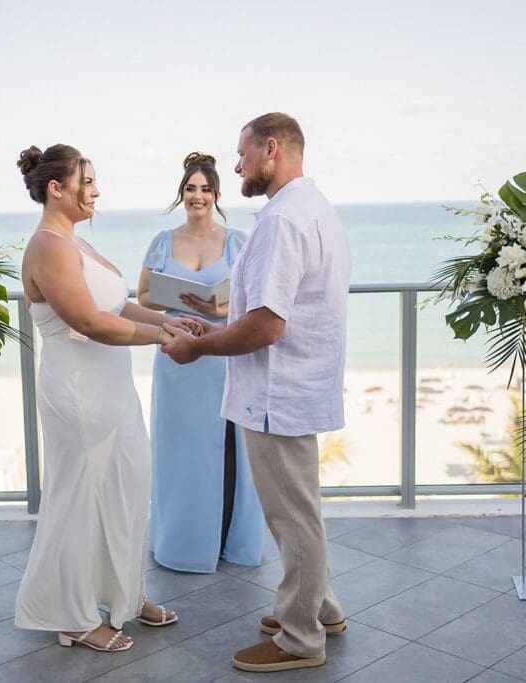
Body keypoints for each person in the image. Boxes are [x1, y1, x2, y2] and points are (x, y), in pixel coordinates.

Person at [161, 113, 351, 673]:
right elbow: (269, 309)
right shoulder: (314, 207)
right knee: (302, 512)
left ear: (272, 149)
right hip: (298, 386)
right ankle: (321, 609)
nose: (238, 165)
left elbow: (268, 324)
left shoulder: (282, 220)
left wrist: (200, 347)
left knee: (293, 519)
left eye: (242, 154)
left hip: (277, 394)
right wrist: (217, 324)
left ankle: (300, 638)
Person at [12, 143, 178, 653]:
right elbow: (88, 322)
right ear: (56, 188)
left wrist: (170, 322)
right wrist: (162, 339)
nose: (96, 191)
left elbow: (117, 306)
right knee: (81, 499)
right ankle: (73, 617)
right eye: (87, 182)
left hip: (112, 389)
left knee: (126, 485)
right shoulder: (48, 247)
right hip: (78, 392)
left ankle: (127, 595)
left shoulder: (75, 242)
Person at [136, 152, 264, 573]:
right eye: (191, 189)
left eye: (205, 189)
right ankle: (182, 544)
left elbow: (252, 299)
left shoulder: (237, 241)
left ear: (216, 195)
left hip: (220, 354)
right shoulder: (162, 241)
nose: (198, 196)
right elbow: (143, 296)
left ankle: (229, 541)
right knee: (180, 452)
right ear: (182, 194)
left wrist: (215, 307)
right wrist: (174, 301)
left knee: (224, 449)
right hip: (175, 356)